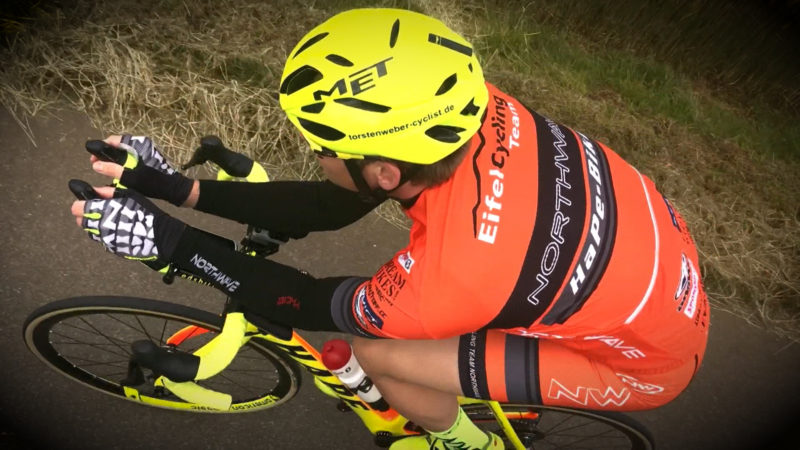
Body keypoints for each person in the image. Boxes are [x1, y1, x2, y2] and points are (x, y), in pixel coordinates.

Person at [70, 8, 709, 450]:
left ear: (383, 169)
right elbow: (331, 205)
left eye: (321, 145)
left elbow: (308, 301)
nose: (316, 155)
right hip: (648, 272)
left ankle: (462, 441)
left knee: (376, 351)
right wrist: (174, 189)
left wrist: (171, 244)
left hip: (640, 363)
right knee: (449, 308)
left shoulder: (449, 275)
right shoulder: (480, 108)